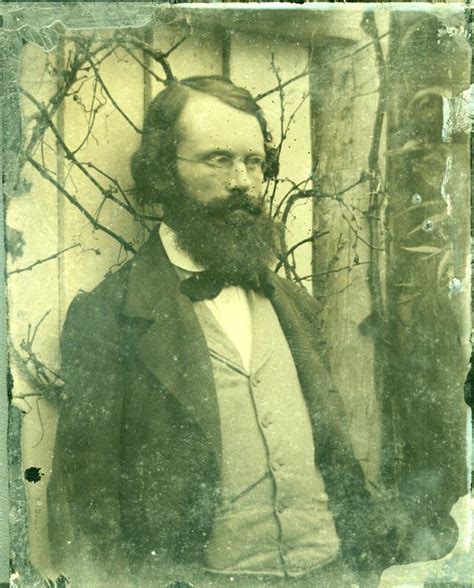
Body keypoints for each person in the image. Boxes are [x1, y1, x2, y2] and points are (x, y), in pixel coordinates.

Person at [47, 76, 460, 587]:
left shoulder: (295, 307)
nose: (243, 181)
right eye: (218, 160)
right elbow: (90, 508)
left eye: (253, 162)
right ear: (162, 172)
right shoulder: (109, 316)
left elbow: (336, 463)